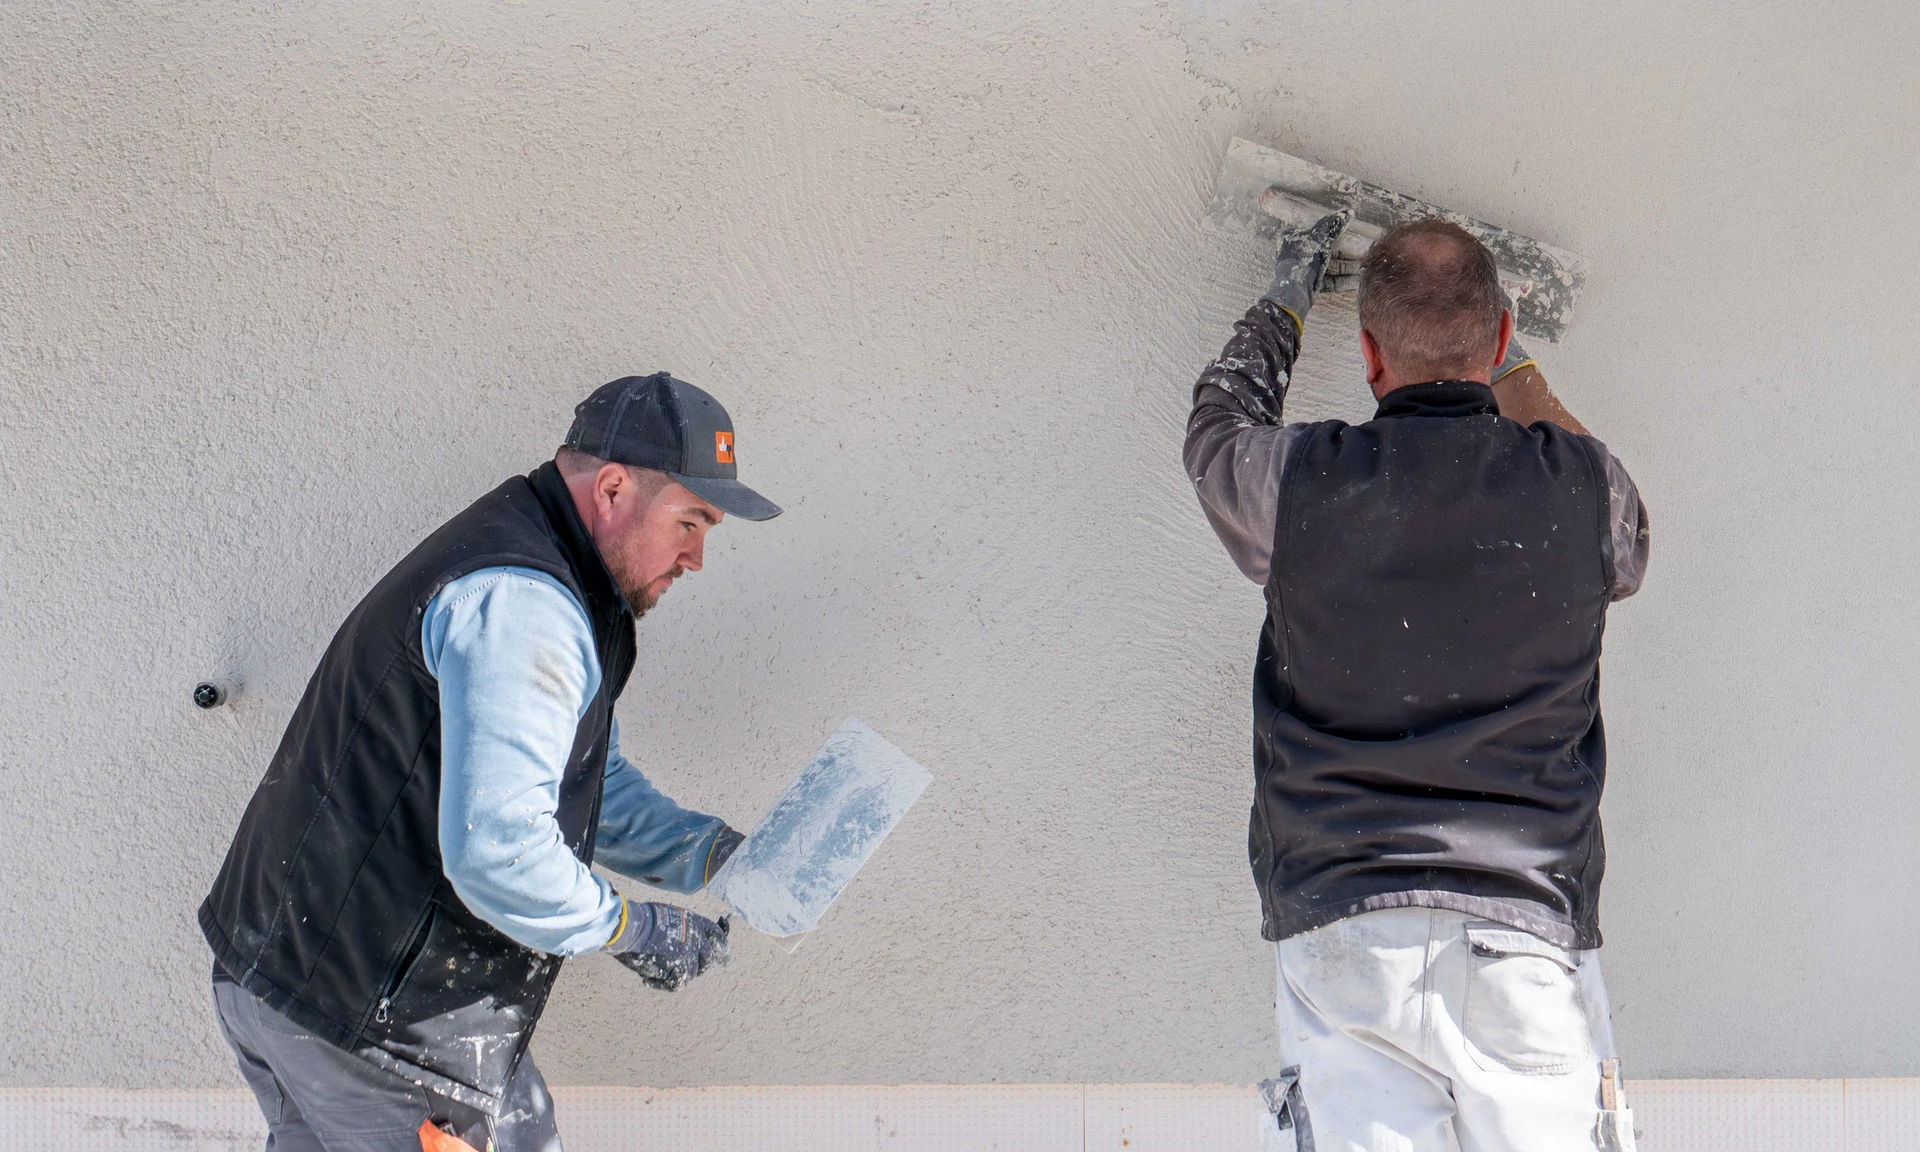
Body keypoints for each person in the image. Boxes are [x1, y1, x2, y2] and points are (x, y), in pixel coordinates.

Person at [199, 373, 781, 1152]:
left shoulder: (527, 558)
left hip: (284, 983)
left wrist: (710, 856)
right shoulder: (524, 605)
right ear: (612, 488)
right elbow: (500, 848)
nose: (697, 557)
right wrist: (632, 930)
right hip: (374, 1030)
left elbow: (583, 780)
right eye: (691, 521)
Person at [1184, 212, 1650, 1152]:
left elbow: (1216, 430)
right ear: (1502, 338)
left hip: (1349, 934)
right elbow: (1625, 528)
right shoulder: (1584, 493)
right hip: (1524, 943)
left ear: (1366, 353)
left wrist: (1288, 291)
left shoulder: (1299, 483)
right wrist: (1514, 367)